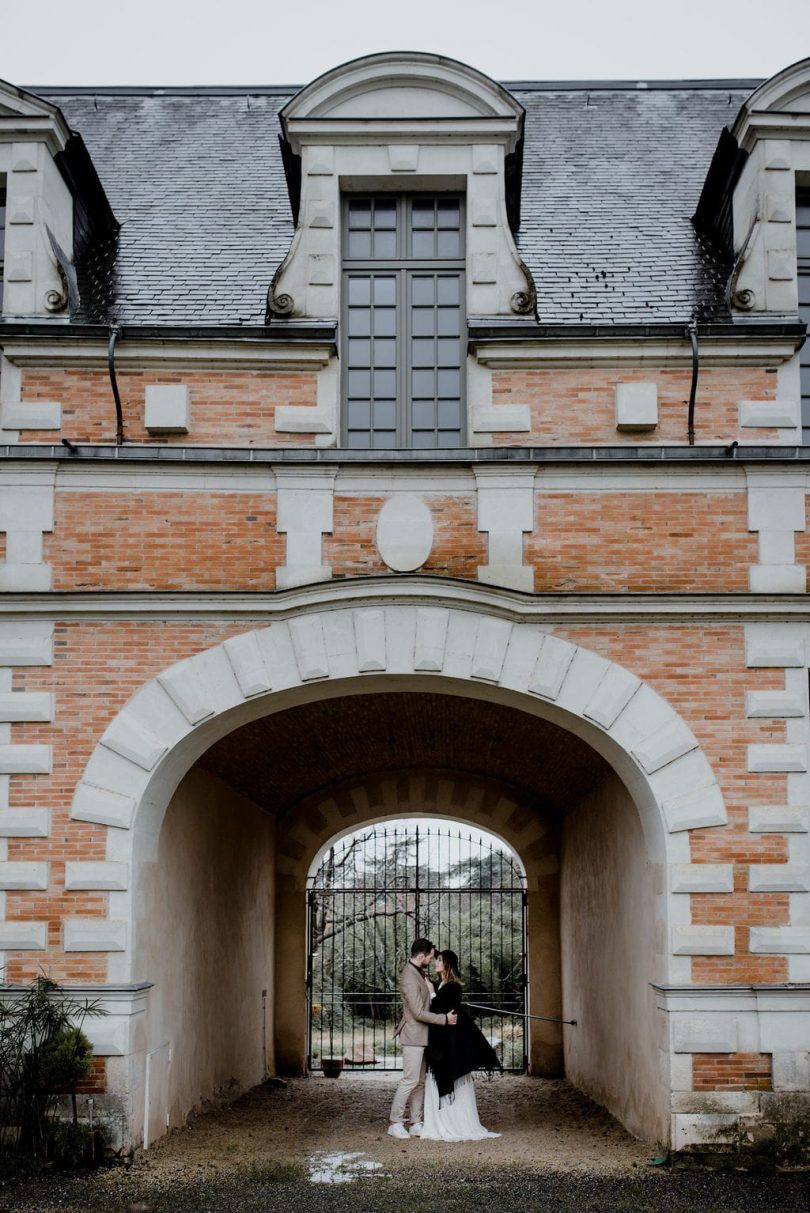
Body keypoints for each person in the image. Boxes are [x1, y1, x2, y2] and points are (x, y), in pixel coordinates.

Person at [421, 949, 501, 1141]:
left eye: (439, 960)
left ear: (447, 964)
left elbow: (443, 1008)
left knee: (451, 1076)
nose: (435, 963)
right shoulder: (440, 985)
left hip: (450, 1042)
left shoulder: (454, 987)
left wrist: (432, 994)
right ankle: (440, 1122)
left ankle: (455, 1123)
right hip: (440, 1039)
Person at [388, 937, 458, 1139]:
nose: (433, 958)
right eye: (431, 955)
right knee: (409, 1080)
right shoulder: (409, 976)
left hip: (423, 1035)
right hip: (413, 1034)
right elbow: (418, 1012)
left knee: (419, 1082)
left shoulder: (418, 972)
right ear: (422, 955)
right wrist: (444, 1019)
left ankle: (416, 1122)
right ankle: (394, 1122)